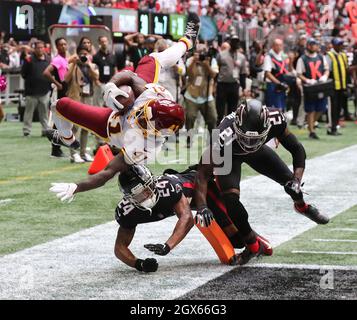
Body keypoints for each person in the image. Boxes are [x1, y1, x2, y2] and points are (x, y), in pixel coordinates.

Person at [45, 13, 200, 175]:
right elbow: (130, 76)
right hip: (138, 99)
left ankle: (66, 138)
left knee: (60, 105)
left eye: (146, 121)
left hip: (110, 123)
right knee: (153, 59)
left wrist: (77, 187)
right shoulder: (157, 97)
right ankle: (188, 41)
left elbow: (107, 174)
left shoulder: (146, 147)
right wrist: (112, 85)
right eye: (146, 114)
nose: (139, 115)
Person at [49, 161, 270, 271]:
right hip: (186, 201)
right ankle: (254, 241)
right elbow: (120, 248)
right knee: (231, 236)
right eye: (138, 193)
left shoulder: (168, 187)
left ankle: (257, 241)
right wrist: (139, 264)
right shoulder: (128, 211)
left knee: (237, 239)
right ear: (128, 197)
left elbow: (187, 218)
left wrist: (168, 245)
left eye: (146, 188)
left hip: (203, 191)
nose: (146, 194)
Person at [194, 99, 329, 266]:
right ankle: (252, 245)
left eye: (254, 138)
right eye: (246, 138)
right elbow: (202, 174)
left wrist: (297, 179)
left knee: (291, 185)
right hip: (229, 156)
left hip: (258, 152)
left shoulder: (275, 119)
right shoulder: (222, 135)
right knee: (231, 201)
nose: (249, 143)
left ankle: (302, 206)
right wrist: (201, 206)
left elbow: (296, 148)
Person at [64, 45, 99, 163]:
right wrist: (73, 63)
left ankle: (83, 153)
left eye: (86, 54)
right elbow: (66, 79)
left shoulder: (92, 66)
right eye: (82, 54)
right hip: (76, 98)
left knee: (87, 127)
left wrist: (89, 65)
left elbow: (96, 77)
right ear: (77, 55)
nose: (84, 56)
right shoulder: (72, 66)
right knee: (75, 127)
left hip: (88, 98)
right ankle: (73, 154)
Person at [43, 38, 72, 158]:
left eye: (65, 44)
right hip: (62, 92)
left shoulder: (65, 59)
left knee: (63, 122)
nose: (63, 46)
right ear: (57, 47)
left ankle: (58, 147)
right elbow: (46, 72)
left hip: (66, 91)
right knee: (59, 122)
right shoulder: (58, 60)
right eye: (61, 45)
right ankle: (55, 149)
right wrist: (57, 83)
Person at [184, 44, 218, 147]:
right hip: (192, 95)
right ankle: (189, 139)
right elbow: (189, 74)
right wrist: (194, 61)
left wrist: (206, 64)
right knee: (190, 117)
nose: (201, 54)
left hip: (207, 96)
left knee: (213, 118)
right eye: (198, 52)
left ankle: (212, 140)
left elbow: (213, 75)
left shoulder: (211, 60)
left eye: (202, 52)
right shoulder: (190, 60)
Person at [296, 38, 329, 139]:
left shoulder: (321, 57)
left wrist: (325, 76)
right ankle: (312, 131)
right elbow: (299, 73)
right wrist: (307, 80)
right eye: (313, 45)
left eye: (316, 45)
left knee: (321, 108)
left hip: (320, 85)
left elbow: (326, 69)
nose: (315, 46)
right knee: (310, 109)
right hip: (310, 87)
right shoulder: (302, 59)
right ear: (309, 46)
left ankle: (311, 124)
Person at [21, 41, 51, 137]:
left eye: (42, 47)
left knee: (44, 113)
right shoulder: (29, 60)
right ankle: (27, 130)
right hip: (31, 92)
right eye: (38, 48)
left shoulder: (48, 60)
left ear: (44, 48)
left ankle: (45, 130)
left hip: (45, 91)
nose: (40, 49)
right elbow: (23, 74)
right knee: (28, 112)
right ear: (34, 49)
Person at [216, 35, 248, 123]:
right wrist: (214, 83)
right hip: (222, 84)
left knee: (232, 112)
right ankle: (217, 133)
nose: (235, 43)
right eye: (233, 41)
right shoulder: (221, 54)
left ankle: (229, 132)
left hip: (234, 85)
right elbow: (216, 70)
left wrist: (244, 87)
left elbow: (242, 73)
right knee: (220, 111)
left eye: (237, 41)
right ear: (230, 42)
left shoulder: (241, 57)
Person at [326, 38, 349, 135]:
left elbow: (346, 70)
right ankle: (332, 128)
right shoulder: (329, 55)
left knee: (339, 108)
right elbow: (327, 70)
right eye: (338, 44)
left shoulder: (343, 55)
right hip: (333, 87)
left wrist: (347, 85)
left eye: (341, 44)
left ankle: (335, 126)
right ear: (334, 45)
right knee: (333, 108)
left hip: (342, 86)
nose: (341, 46)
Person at [263, 38, 292, 111]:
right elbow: (267, 73)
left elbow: (288, 70)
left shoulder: (283, 55)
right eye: (277, 45)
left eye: (280, 45)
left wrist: (291, 60)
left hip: (282, 83)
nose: (279, 47)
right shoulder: (268, 56)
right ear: (273, 46)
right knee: (273, 108)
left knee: (282, 106)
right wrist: (279, 83)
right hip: (273, 84)